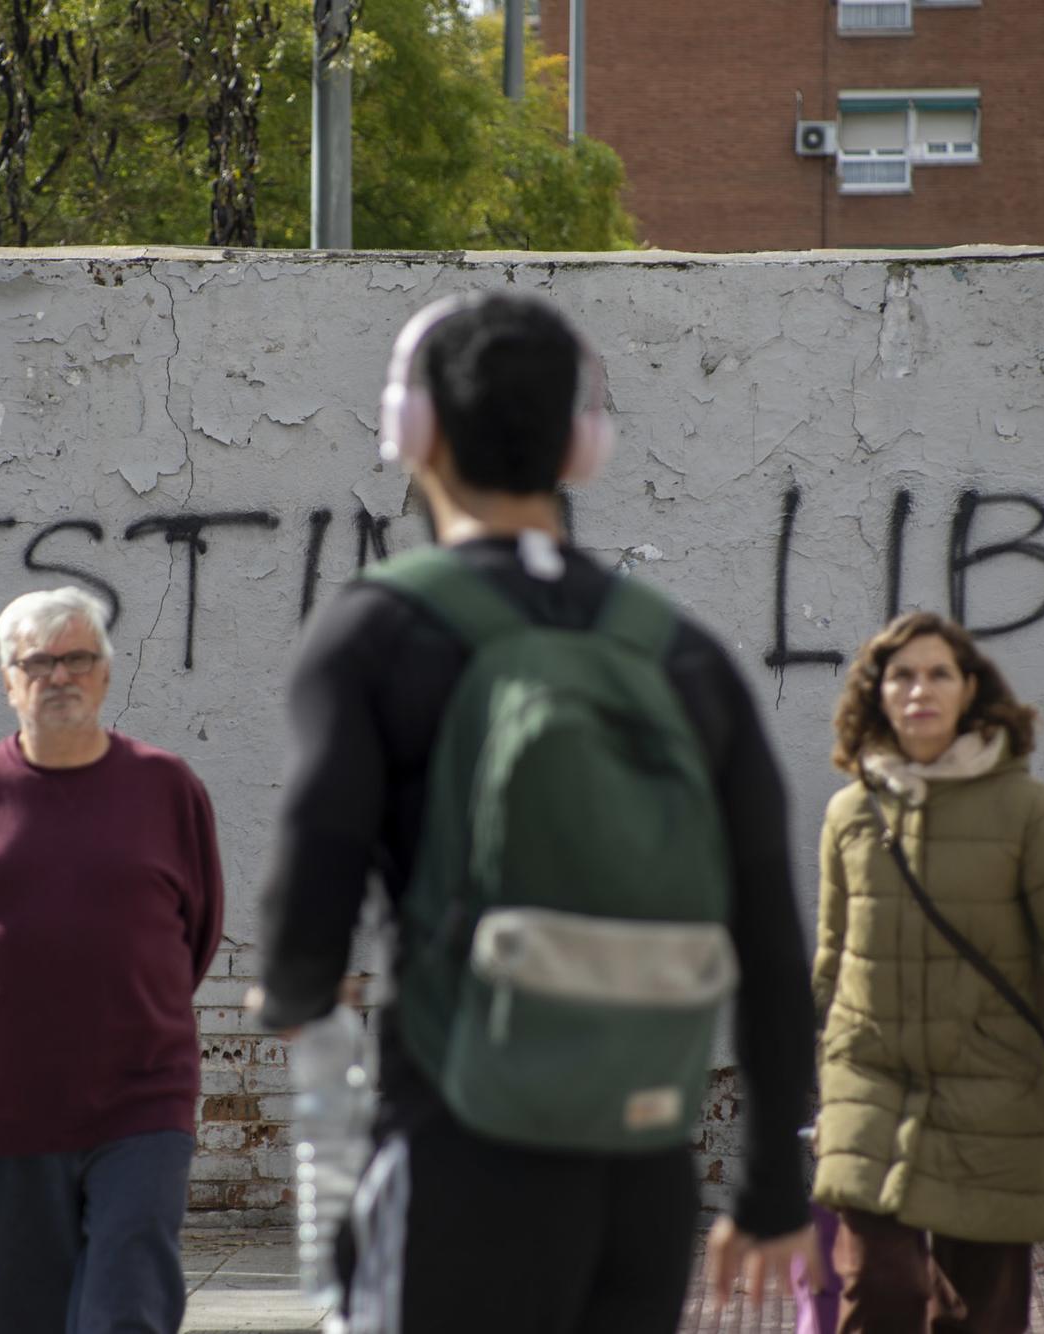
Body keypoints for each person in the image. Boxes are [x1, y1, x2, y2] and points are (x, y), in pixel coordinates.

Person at [253, 291, 819, 1333]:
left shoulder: (376, 630)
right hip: (643, 1169)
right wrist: (771, 1189)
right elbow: (776, 946)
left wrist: (291, 992)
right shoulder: (684, 655)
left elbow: (304, 920)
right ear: (580, 443)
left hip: (457, 1147)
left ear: (410, 432)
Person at [0, 586, 225, 1334]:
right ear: (8, 680)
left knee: (127, 1315)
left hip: (141, 1103)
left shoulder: (166, 787)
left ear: (107, 672)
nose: (59, 677)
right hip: (1, 1108)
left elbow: (198, 929)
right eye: (37, 663)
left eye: (78, 658)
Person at [810, 611, 1044, 1332]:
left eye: (938, 674)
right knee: (882, 1294)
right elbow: (833, 968)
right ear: (878, 693)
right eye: (901, 675)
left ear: (969, 690)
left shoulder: (1026, 809)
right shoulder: (850, 814)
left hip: (998, 1102)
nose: (919, 690)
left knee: (985, 1318)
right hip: (872, 1098)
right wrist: (815, 1088)